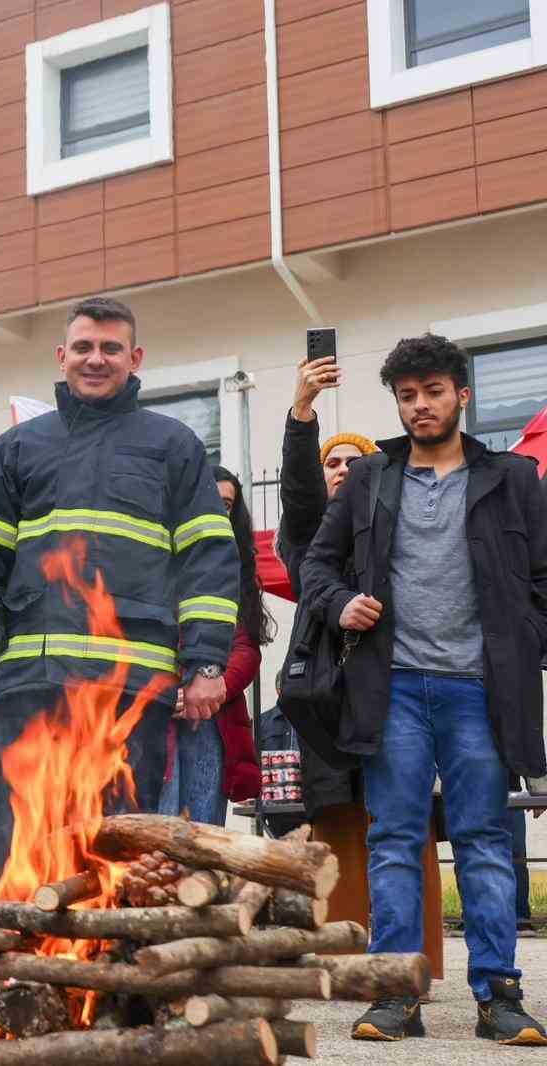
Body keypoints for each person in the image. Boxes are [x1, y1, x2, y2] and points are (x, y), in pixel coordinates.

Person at [0, 296, 239, 905]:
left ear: (135, 359)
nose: (96, 359)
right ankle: (19, 977)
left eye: (110, 348)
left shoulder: (174, 445)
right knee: (21, 835)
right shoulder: (17, 447)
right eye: (83, 347)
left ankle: (108, 986)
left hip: (132, 687)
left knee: (118, 842)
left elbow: (209, 557)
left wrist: (207, 664)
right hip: (32, 681)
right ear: (61, 356)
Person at [302, 334, 547, 1046]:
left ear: (461, 395)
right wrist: (341, 602)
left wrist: (524, 636)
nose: (420, 406)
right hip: (395, 687)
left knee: (484, 841)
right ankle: (393, 996)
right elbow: (319, 564)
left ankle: (500, 997)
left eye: (433, 392)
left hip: (479, 688)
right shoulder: (373, 478)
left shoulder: (512, 479)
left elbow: (543, 577)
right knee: (395, 839)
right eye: (407, 396)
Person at [276, 357, 446, 975]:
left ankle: (415, 954)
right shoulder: (305, 534)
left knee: (402, 811)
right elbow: (296, 491)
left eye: (355, 461)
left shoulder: (396, 522)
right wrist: (302, 414)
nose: (343, 470)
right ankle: (345, 957)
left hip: (400, 685)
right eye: (332, 462)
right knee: (340, 817)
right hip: (329, 692)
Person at [156, 468, 270, 825]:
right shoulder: (153, 557)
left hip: (212, 719)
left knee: (204, 836)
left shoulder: (239, 571)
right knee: (156, 836)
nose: (217, 512)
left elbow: (247, 647)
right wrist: (163, 692)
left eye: (226, 505)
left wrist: (217, 686)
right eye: (210, 501)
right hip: (156, 718)